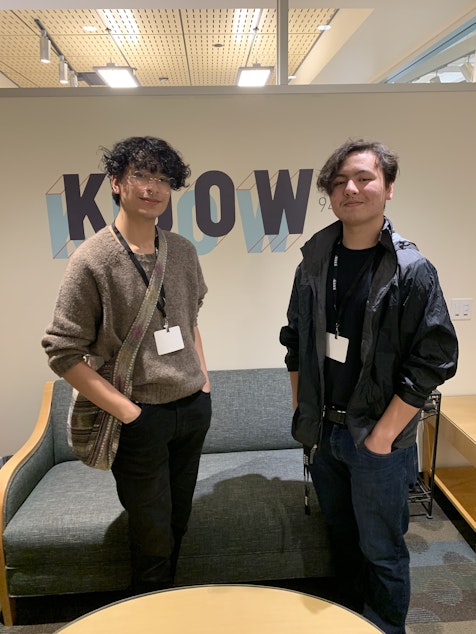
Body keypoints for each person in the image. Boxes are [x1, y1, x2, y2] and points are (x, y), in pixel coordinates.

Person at [279, 138, 458, 634]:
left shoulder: (412, 270)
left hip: (378, 438)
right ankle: (348, 624)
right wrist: (305, 415)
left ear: (388, 188)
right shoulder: (314, 262)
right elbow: (294, 340)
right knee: (340, 538)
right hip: (327, 433)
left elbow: (436, 357)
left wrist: (382, 436)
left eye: (363, 178)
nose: (351, 189)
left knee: (382, 549)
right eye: (339, 183)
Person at [42, 135, 212, 594]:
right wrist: (128, 413)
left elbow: (189, 317)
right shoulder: (91, 260)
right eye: (141, 175)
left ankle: (170, 604)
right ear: (117, 183)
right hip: (139, 417)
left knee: (177, 520)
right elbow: (62, 352)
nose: (152, 187)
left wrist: (205, 382)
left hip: (192, 408)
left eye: (162, 178)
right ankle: (150, 612)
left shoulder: (182, 251)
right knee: (151, 534)